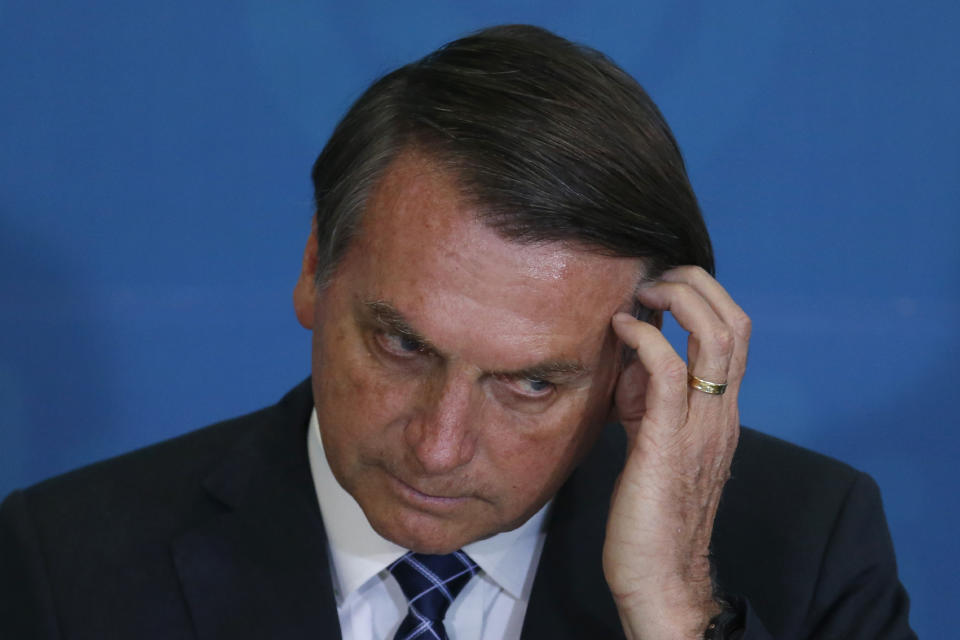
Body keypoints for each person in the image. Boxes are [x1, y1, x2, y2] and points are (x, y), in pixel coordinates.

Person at [0, 24, 914, 640]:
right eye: (403, 346)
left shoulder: (804, 549)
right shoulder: (64, 566)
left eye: (531, 384)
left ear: (636, 362)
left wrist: (674, 612)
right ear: (316, 269)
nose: (438, 449)